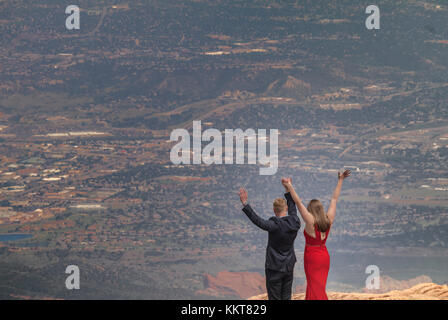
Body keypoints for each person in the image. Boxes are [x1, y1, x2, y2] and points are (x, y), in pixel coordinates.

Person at [283, 170, 351, 300]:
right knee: (317, 286)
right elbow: (334, 199)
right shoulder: (328, 220)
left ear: (311, 209)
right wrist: (340, 180)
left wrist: (289, 186)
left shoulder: (310, 221)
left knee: (314, 286)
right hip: (324, 256)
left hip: (312, 256)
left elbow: (298, 202)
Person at [239, 183, 301, 300]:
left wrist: (245, 204)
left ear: (274, 210)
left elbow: (258, 220)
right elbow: (293, 209)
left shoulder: (273, 225)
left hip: (274, 268)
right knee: (286, 297)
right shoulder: (294, 222)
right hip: (288, 266)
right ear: (286, 208)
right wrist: (288, 189)